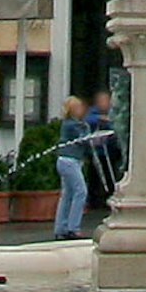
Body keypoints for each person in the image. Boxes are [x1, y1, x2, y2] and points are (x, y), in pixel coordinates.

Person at [50, 96, 92, 240]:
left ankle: (61, 228)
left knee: (67, 194)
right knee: (81, 191)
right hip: (69, 161)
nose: (81, 110)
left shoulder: (73, 123)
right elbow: (83, 138)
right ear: (72, 109)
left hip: (67, 161)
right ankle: (73, 227)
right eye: (78, 107)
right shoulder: (72, 124)